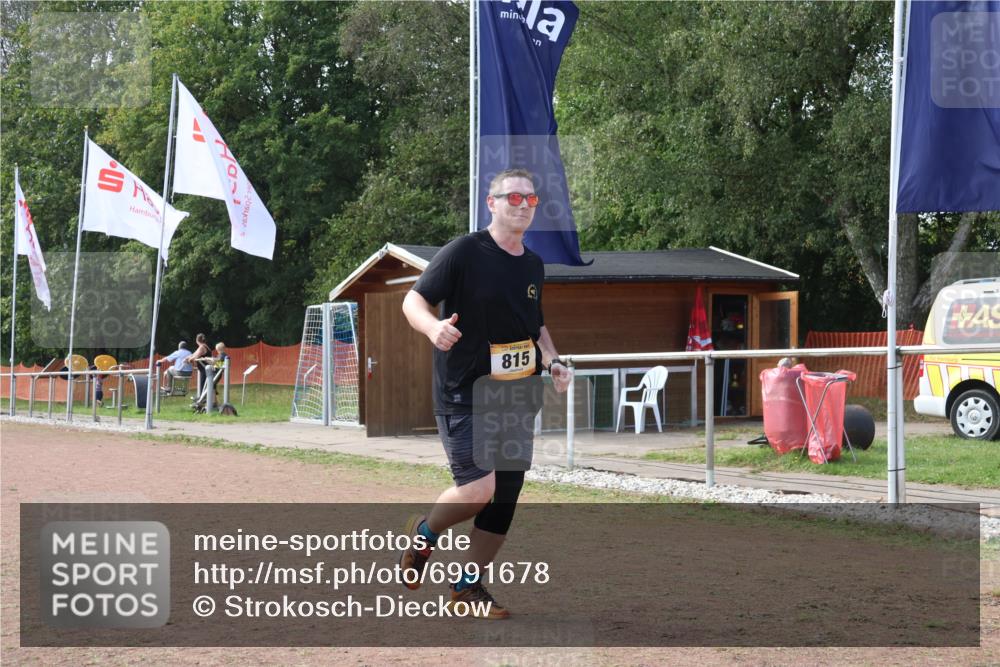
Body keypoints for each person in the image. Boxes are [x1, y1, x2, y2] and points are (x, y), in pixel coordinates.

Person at [399, 168, 572, 620]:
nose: (521, 205)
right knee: (478, 489)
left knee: (505, 495)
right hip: (465, 393)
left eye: (530, 200)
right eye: (512, 197)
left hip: (515, 398)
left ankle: (467, 586)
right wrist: (433, 327)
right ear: (491, 203)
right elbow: (413, 301)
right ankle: (424, 531)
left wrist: (553, 360)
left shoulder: (532, 265)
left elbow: (535, 327)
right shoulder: (463, 252)